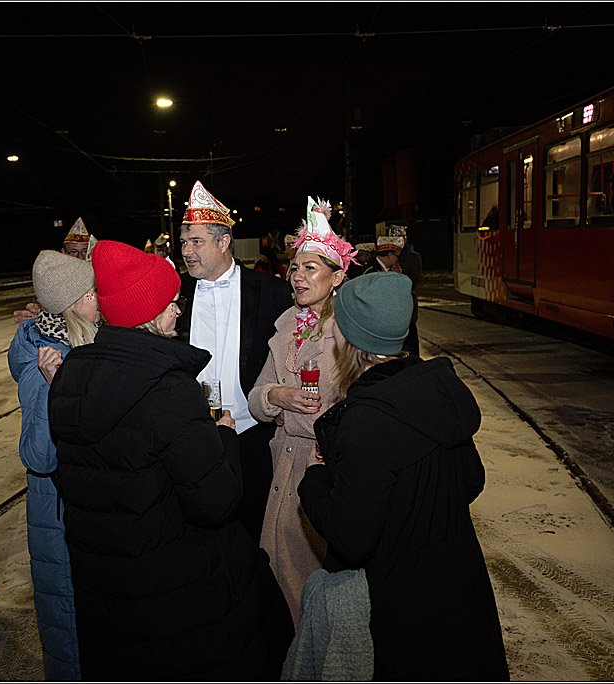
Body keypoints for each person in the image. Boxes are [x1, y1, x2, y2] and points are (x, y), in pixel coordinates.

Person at [47, 240, 294, 680]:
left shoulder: (70, 375)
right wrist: (224, 440)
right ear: (147, 312)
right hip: (173, 590)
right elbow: (214, 501)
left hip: (106, 587)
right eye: (170, 303)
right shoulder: (167, 389)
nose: (179, 310)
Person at [297, 271, 510, 681]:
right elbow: (471, 480)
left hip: (404, 602)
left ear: (349, 338)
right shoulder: (436, 388)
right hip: (458, 585)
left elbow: (352, 539)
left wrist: (314, 479)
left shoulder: (367, 419)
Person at [248, 196, 354, 624]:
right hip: (281, 470)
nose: (297, 276)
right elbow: (256, 398)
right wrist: (276, 395)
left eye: (311, 267)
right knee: (278, 579)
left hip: (323, 472)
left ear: (337, 276)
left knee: (318, 589)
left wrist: (294, 412)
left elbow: (352, 412)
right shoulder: (286, 324)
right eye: (294, 267)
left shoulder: (348, 332)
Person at [175, 180, 293, 544]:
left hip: (252, 434)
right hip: (192, 436)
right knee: (200, 536)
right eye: (183, 242)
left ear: (223, 242)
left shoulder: (271, 292)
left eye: (196, 241)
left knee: (255, 533)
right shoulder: (174, 292)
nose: (186, 251)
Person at [8, 250, 99, 680]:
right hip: (57, 515)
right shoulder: (41, 357)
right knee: (67, 619)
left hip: (85, 505)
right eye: (92, 291)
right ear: (72, 302)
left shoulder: (88, 337)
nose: (101, 297)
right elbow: (38, 456)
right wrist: (52, 387)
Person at [14, 217, 97, 323]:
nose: (80, 256)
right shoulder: (55, 282)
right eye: (74, 251)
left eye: (84, 251)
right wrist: (46, 314)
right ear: (63, 252)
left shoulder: (98, 277)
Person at [395, 227, 423, 356]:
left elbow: (415, 279)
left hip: (407, 301)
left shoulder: (413, 257)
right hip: (395, 304)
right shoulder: (392, 255)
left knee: (411, 334)